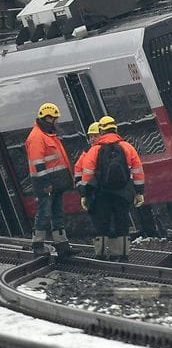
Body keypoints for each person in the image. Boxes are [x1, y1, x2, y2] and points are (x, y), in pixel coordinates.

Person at [80, 115, 144, 261]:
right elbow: (138, 171)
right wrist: (139, 192)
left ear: (101, 131)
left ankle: (102, 254)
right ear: (115, 129)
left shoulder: (94, 150)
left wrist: (84, 194)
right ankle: (122, 255)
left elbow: (87, 174)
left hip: (102, 193)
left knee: (103, 221)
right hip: (123, 191)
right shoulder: (127, 147)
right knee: (122, 221)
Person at [25, 102, 74, 257]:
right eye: (54, 119)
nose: (56, 122)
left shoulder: (48, 135)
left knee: (57, 212)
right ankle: (37, 244)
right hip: (46, 184)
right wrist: (46, 184)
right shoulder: (37, 137)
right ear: (48, 118)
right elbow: (37, 163)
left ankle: (62, 244)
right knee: (44, 212)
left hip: (55, 183)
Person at [74, 122, 101, 255]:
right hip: (92, 194)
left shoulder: (103, 151)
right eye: (90, 137)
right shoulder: (86, 153)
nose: (91, 139)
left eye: (94, 136)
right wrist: (83, 192)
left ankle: (110, 253)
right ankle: (102, 252)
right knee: (98, 223)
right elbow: (78, 172)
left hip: (101, 193)